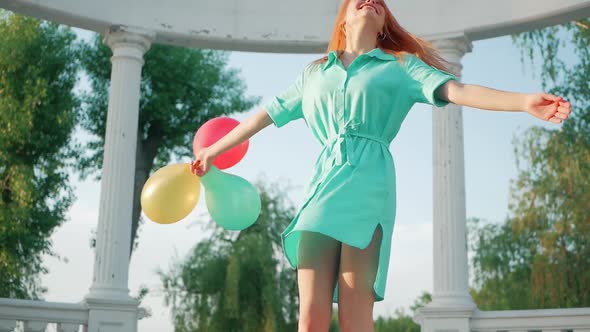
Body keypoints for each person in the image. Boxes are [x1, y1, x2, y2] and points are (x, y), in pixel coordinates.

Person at [191, 0, 572, 330]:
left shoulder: (401, 67)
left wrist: (523, 101)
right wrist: (211, 152)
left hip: (369, 189)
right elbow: (261, 118)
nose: (371, 0)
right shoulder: (313, 74)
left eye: (380, 2)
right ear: (343, 19)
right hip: (322, 190)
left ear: (385, 23)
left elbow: (458, 90)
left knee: (357, 319)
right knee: (309, 320)